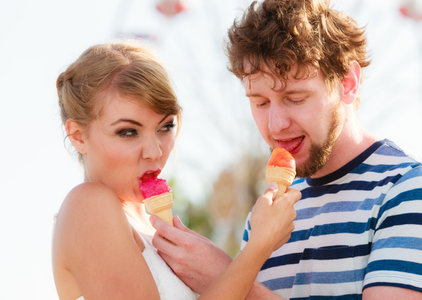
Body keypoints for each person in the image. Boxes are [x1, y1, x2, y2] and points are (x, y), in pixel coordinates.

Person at [150, 0, 422, 299]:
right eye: (260, 102)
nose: (276, 124)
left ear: (347, 83)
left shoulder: (411, 189)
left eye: (295, 98)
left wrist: (229, 277)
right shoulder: (269, 211)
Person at [51, 41, 301, 300]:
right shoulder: (88, 205)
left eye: (165, 127)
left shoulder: (151, 227)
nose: (155, 151)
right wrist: (257, 248)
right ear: (78, 136)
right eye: (128, 132)